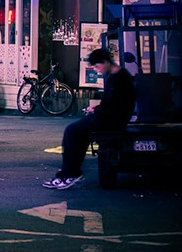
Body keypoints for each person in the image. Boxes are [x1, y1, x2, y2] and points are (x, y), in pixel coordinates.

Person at [44, 47, 135, 190]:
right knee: (76, 133)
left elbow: (116, 106)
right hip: (109, 118)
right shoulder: (117, 76)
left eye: (98, 66)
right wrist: (96, 109)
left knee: (72, 131)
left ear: (106, 62)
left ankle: (70, 174)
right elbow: (112, 104)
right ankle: (68, 173)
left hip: (111, 120)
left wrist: (97, 110)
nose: (97, 70)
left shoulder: (120, 79)